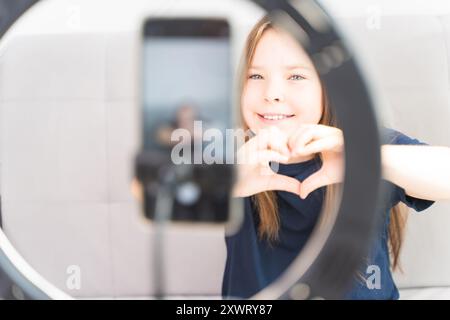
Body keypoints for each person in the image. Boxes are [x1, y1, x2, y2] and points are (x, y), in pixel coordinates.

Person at [222, 15, 450, 300]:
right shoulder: (232, 153)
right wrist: (223, 184)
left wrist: (365, 159)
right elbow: (152, 190)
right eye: (255, 76)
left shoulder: (361, 143)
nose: (272, 94)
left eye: (296, 76)